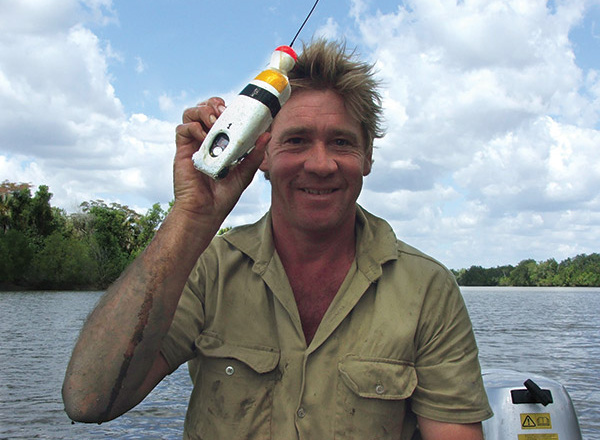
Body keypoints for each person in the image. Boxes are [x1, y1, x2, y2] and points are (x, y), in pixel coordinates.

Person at [63, 39, 492, 439]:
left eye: (341, 142)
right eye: (297, 140)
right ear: (261, 153)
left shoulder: (427, 289)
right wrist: (191, 215)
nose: (321, 164)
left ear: (367, 158)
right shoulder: (207, 270)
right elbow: (89, 400)